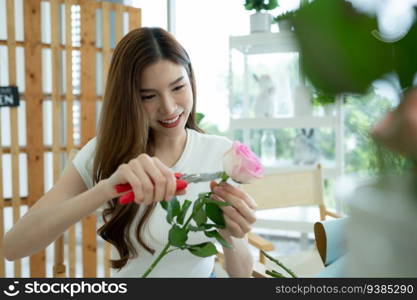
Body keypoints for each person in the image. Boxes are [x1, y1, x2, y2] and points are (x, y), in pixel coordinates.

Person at [4, 27, 257, 278]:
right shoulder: (103, 153)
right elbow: (13, 246)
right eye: (148, 96)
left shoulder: (221, 154)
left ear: (190, 80)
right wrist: (105, 189)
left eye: (178, 87)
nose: (168, 108)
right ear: (128, 99)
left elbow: (242, 275)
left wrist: (231, 234)